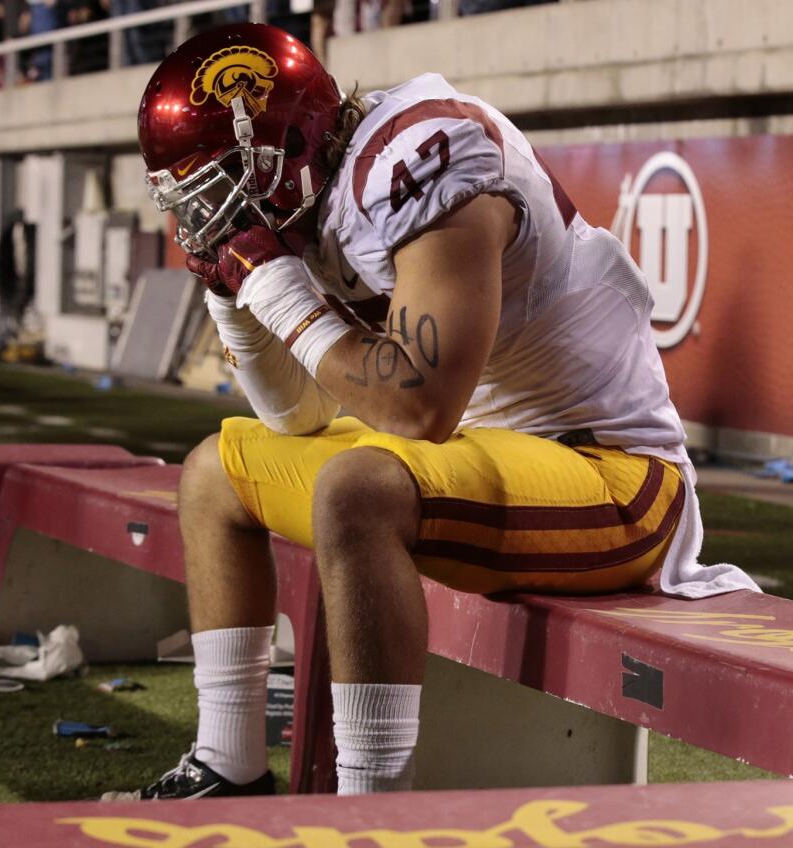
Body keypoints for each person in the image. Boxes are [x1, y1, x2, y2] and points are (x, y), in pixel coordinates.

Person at [107, 22, 758, 801]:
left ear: (278, 143)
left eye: (219, 183)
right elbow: (296, 417)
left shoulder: (418, 158)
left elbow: (418, 408)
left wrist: (274, 287)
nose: (212, 213)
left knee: (358, 491)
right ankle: (227, 764)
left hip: (613, 475)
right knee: (217, 471)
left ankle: (370, 806)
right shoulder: (325, 195)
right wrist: (237, 297)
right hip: (487, 453)